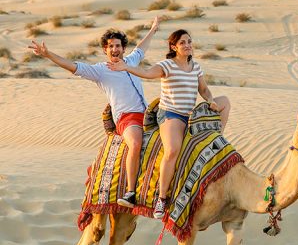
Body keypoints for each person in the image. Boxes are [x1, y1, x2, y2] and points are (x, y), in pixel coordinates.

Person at [28, 17, 163, 207]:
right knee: (135, 143)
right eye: (111, 46)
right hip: (127, 118)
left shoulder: (131, 60)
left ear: (123, 48)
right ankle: (131, 192)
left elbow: (141, 47)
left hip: (148, 113)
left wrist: (153, 29)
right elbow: (72, 66)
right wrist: (48, 54)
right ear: (105, 50)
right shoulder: (100, 71)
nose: (115, 49)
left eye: (118, 45)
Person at [107, 29, 230, 220]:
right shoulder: (167, 65)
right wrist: (126, 67)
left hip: (190, 114)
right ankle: (161, 198)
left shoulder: (195, 67)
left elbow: (204, 89)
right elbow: (147, 73)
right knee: (172, 150)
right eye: (182, 42)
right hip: (171, 114)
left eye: (189, 41)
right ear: (174, 47)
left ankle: (217, 138)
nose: (188, 45)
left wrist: (211, 99)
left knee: (225, 102)